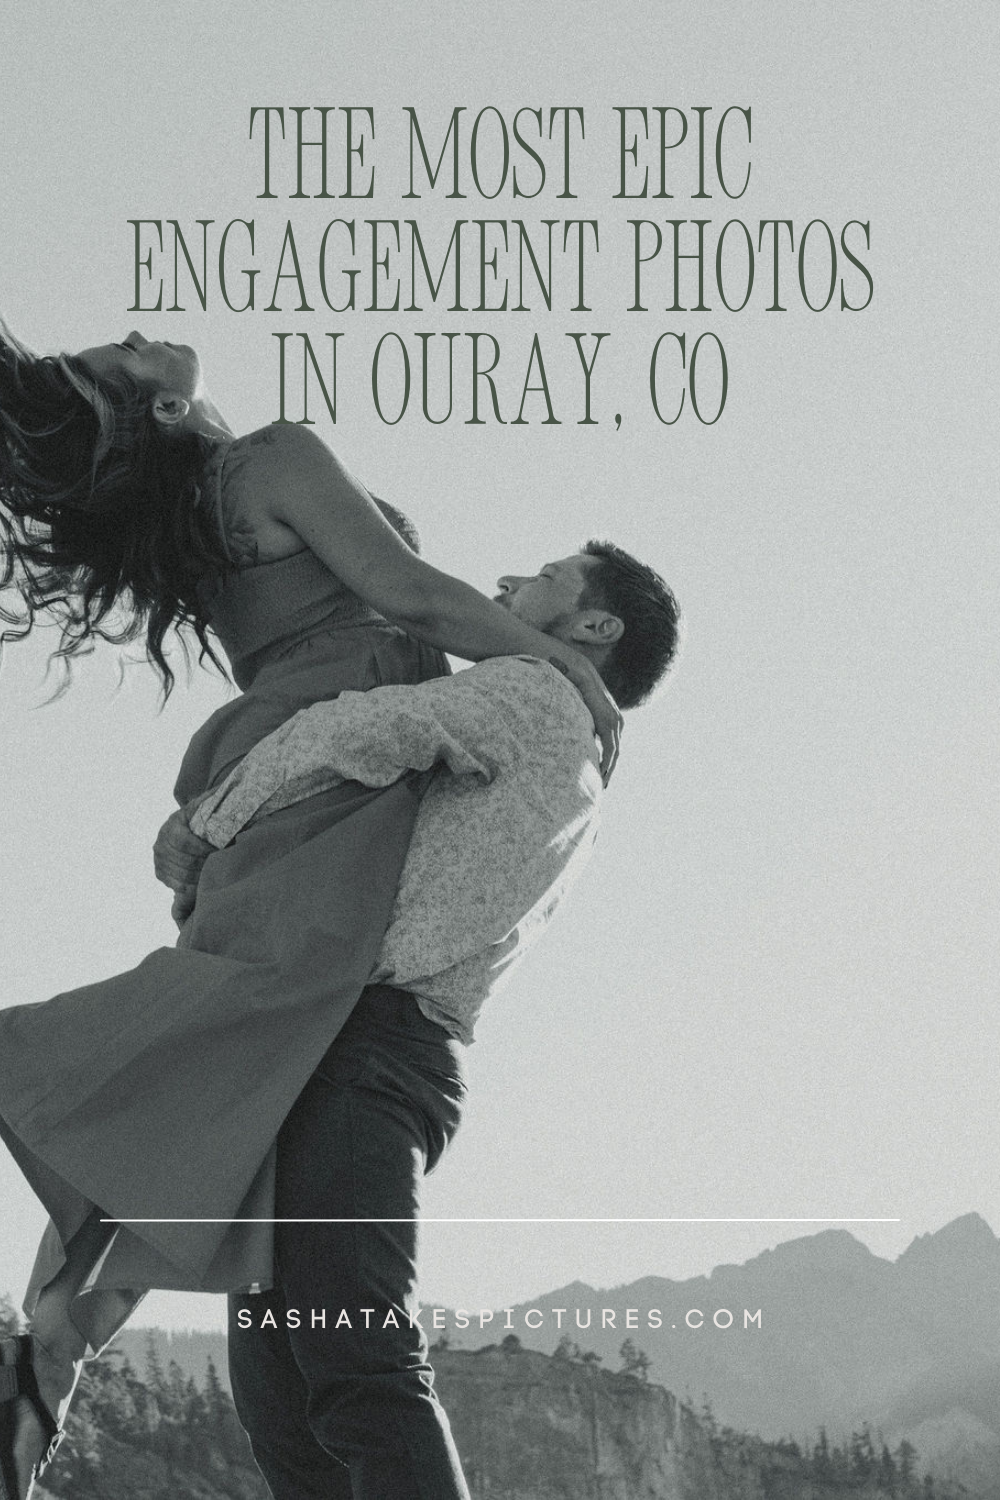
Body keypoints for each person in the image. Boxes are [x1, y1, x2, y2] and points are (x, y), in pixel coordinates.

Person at [0, 323, 623, 1500]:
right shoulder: (271, 459)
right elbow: (406, 591)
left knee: (218, 1077)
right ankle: (45, 1351)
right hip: (334, 772)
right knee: (242, 1058)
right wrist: (570, 677)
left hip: (280, 778)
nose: (140, 331)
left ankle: (47, 1356)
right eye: (119, 357)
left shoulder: (191, 518)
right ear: (143, 413)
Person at [152, 543, 681, 1499]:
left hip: (363, 1054)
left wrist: (204, 827)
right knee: (284, 1393)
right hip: (341, 1049)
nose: (512, 582)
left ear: (597, 627)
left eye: (549, 575)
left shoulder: (534, 689)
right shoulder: (568, 734)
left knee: (356, 1363)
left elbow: (369, 725)